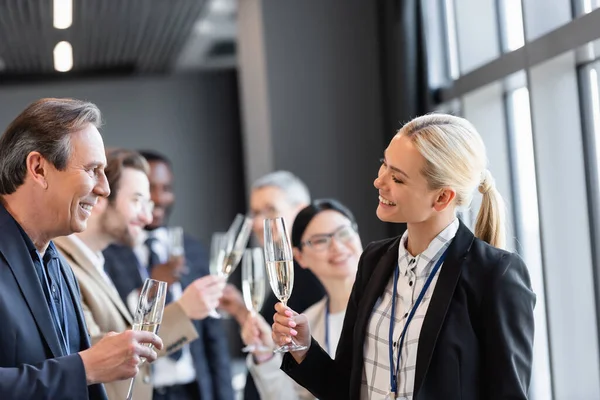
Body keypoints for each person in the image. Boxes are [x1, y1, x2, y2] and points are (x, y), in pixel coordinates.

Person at [273, 114, 536, 399]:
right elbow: (346, 388)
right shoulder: (373, 261)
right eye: (384, 165)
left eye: (397, 178)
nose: (378, 181)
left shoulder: (495, 275)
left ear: (442, 198)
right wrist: (304, 348)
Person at [0, 98, 162, 399]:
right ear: (38, 168)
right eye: (92, 170)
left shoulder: (57, 262)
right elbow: (82, 370)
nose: (104, 189)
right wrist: (84, 368)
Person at [54, 149, 226, 399]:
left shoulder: (94, 262)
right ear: (100, 196)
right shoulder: (60, 264)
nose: (147, 217)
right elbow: (95, 353)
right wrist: (184, 311)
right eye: (137, 201)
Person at [103, 150, 234, 400]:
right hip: (143, 392)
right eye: (150, 189)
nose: (160, 198)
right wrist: (154, 284)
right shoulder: (106, 252)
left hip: (193, 390)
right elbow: (112, 332)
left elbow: (212, 337)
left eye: (166, 188)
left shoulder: (191, 249)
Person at [217, 170, 326, 400]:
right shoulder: (286, 273)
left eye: (270, 210)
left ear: (301, 210)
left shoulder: (314, 273)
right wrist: (240, 311)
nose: (258, 222)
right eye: (255, 212)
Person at [241, 199, 363, 399]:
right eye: (320, 240)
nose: (337, 246)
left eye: (344, 232)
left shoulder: (391, 304)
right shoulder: (306, 325)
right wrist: (264, 355)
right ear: (299, 257)